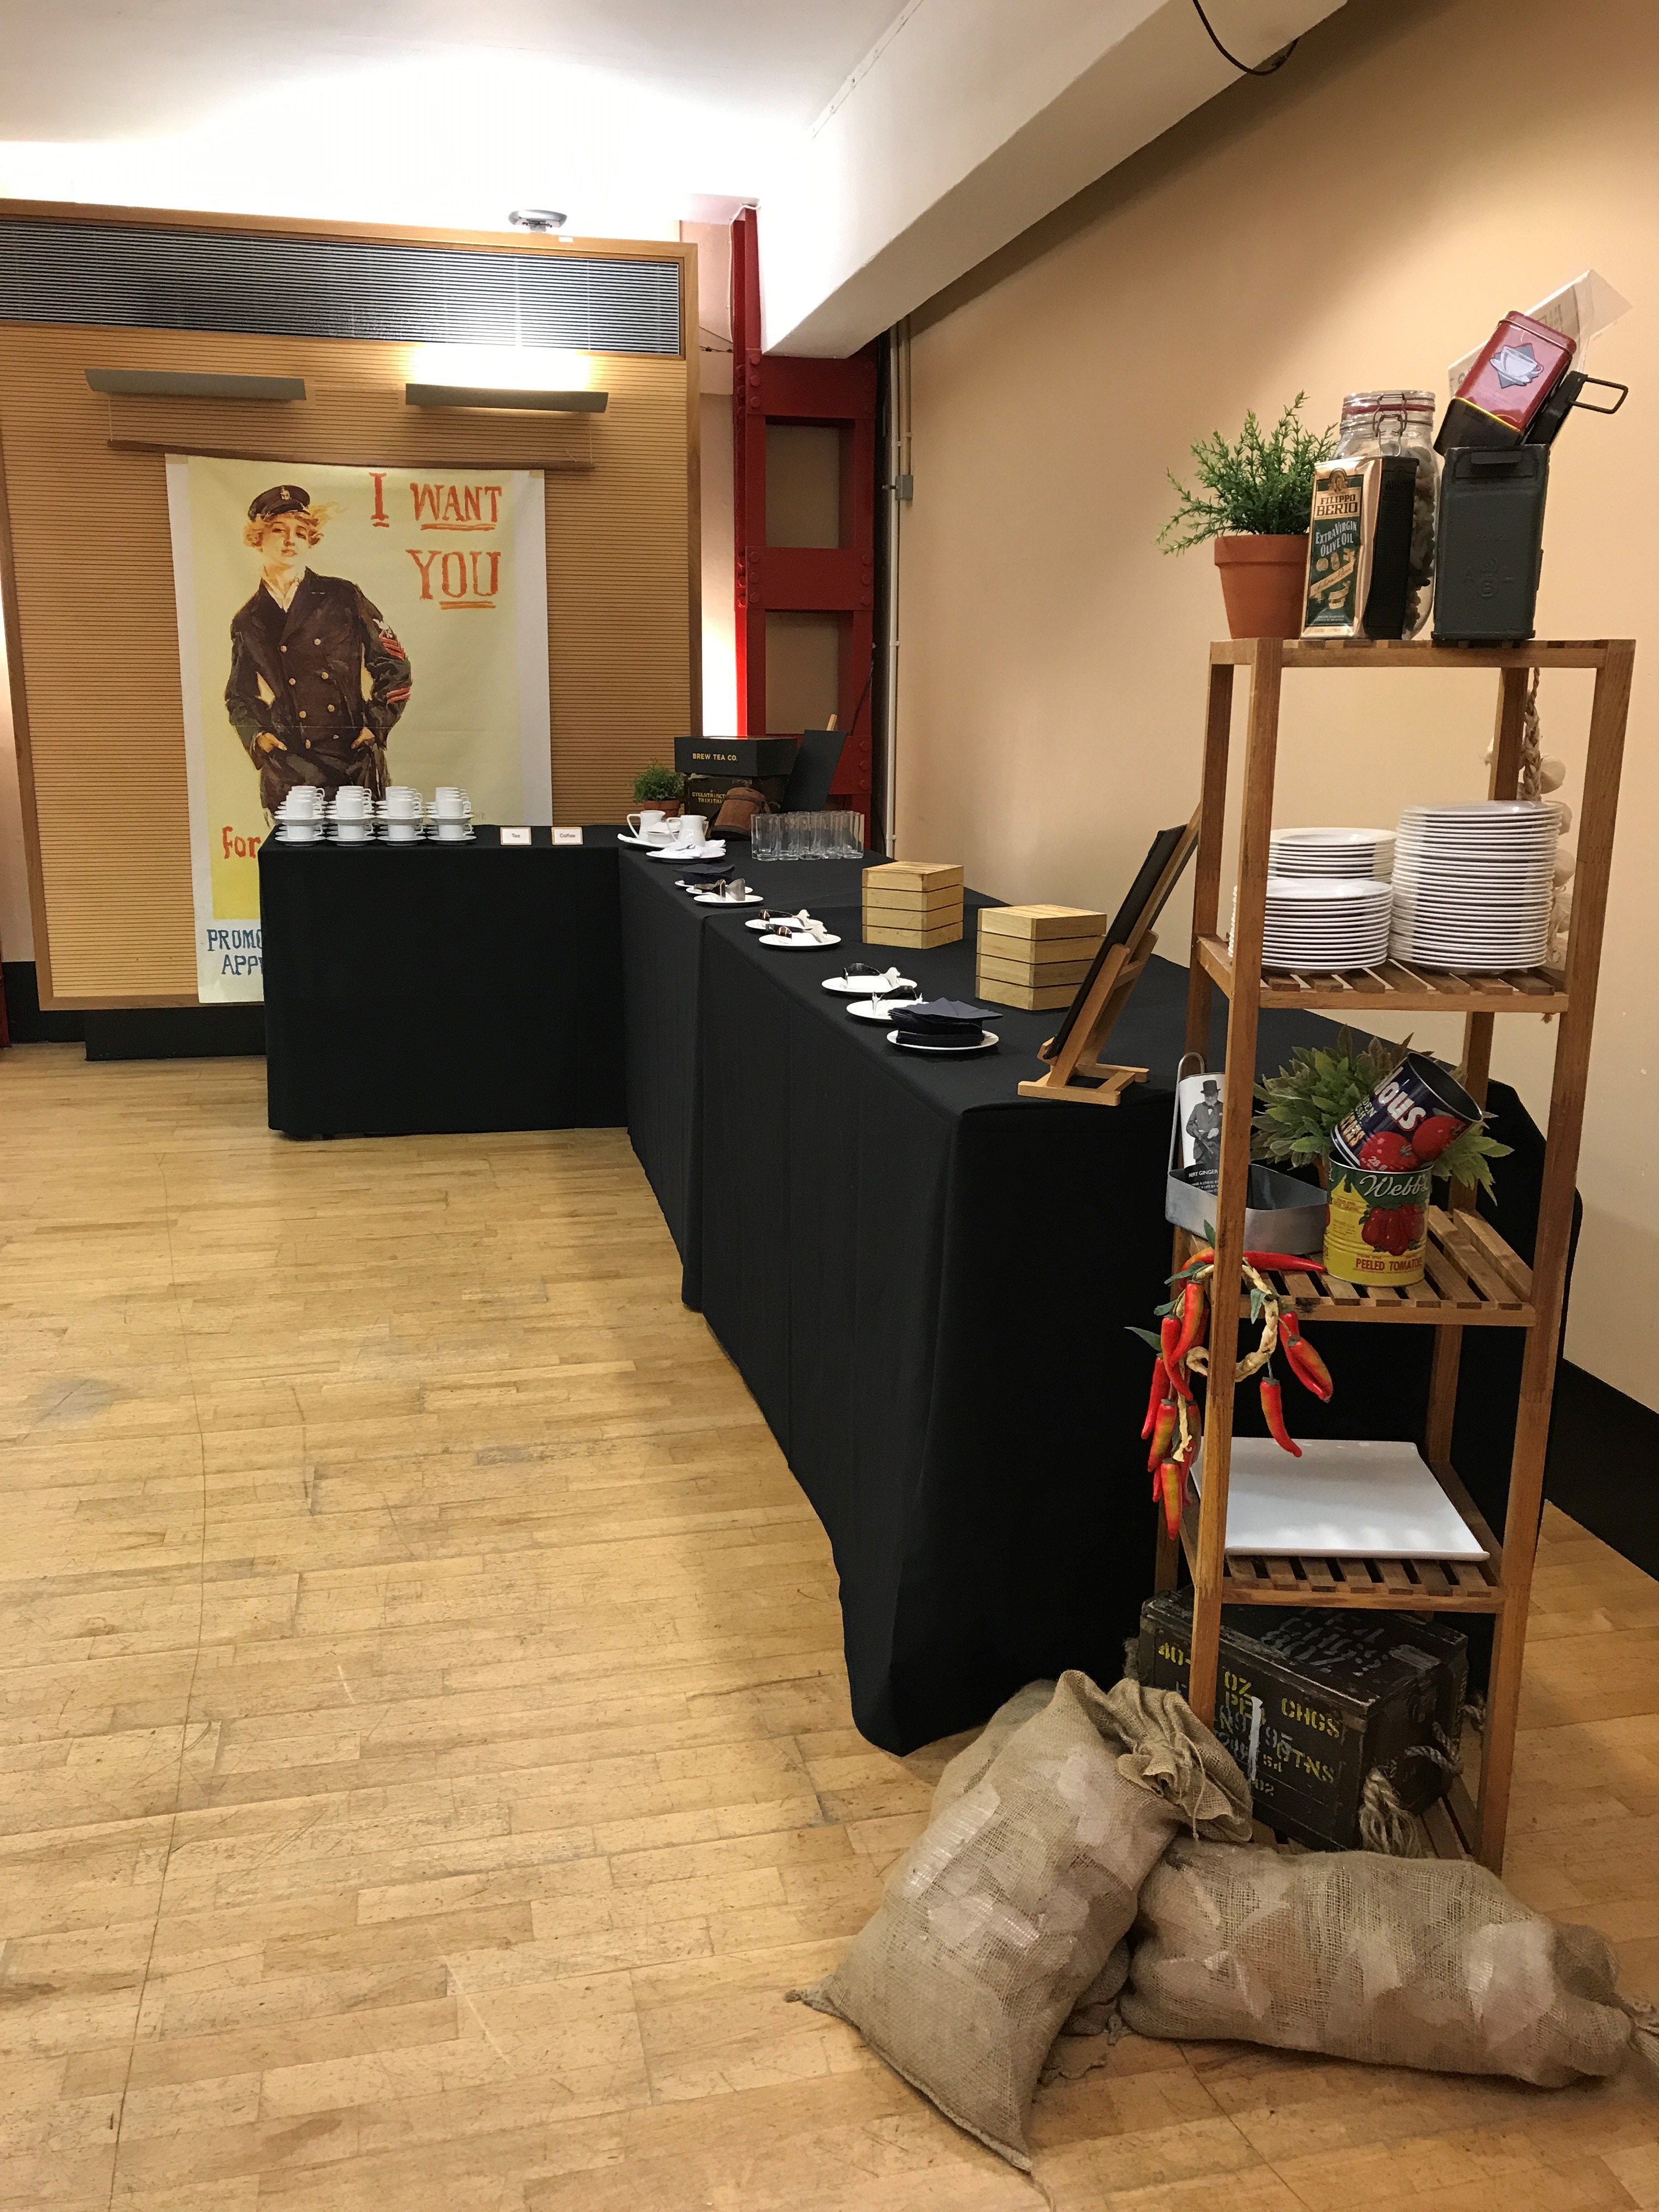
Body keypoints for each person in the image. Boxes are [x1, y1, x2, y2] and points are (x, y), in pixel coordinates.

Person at [225, 483, 413, 812]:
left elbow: (394, 666)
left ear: (310, 540)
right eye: (278, 530)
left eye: (300, 533)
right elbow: (239, 695)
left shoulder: (343, 596)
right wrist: (259, 738)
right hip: (289, 766)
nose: (289, 540)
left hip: (352, 759)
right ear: (258, 538)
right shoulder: (247, 619)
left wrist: (375, 725)